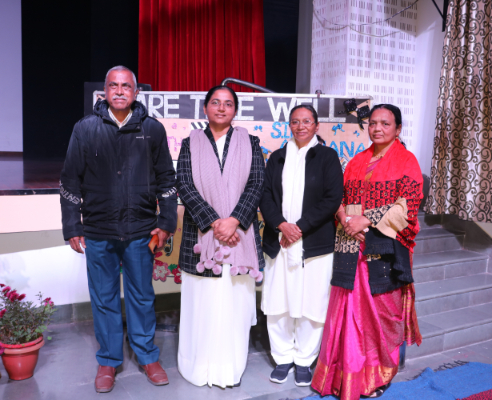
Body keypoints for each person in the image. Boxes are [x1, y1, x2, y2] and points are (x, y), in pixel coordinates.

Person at [60, 66, 177, 393]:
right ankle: (109, 360)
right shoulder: (85, 129)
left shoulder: (152, 129)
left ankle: (147, 356)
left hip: (141, 230)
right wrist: (72, 225)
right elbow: (70, 180)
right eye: (114, 85)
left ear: (136, 92)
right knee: (104, 299)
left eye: (127, 86)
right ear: (105, 92)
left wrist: (166, 223)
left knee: (142, 297)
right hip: (98, 231)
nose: (120, 90)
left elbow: (167, 180)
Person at [311, 104, 423, 399]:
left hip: (384, 249)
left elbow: (409, 205)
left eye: (385, 124)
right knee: (347, 313)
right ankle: (345, 375)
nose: (377, 129)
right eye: (373, 123)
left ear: (398, 129)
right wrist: (344, 217)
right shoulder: (357, 161)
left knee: (381, 314)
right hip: (350, 243)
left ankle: (377, 376)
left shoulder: (407, 161)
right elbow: (340, 197)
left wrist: (368, 219)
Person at [175, 85, 264, 388]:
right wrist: (215, 223)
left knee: (234, 305)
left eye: (228, 103)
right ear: (205, 108)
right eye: (216, 102)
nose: (222, 108)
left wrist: (235, 221)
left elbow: (257, 183)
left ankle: (230, 368)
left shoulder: (250, 143)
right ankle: (197, 366)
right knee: (202, 304)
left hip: (240, 236)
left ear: (235, 110)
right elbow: (184, 184)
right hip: (201, 237)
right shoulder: (190, 143)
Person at [259, 105, 343, 386]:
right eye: (295, 122)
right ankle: (283, 358)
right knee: (278, 304)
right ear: (290, 126)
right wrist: (281, 225)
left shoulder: (328, 157)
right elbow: (265, 196)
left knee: (312, 305)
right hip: (279, 241)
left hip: (315, 244)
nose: (301, 126)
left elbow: (332, 199)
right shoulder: (277, 157)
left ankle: (305, 360)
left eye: (306, 121)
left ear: (316, 126)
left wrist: (299, 228)